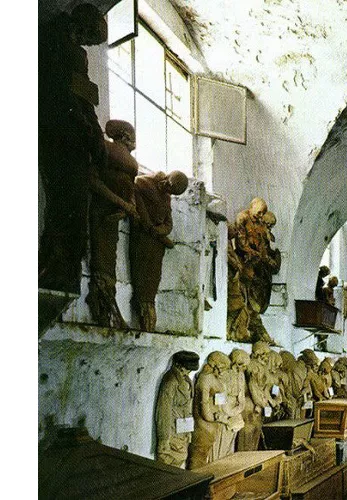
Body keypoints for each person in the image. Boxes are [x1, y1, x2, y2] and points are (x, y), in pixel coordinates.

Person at [39, 4, 108, 293]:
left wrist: (98, 143)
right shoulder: (53, 34)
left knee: (76, 206)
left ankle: (66, 273)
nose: (87, 46)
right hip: (59, 128)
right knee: (64, 204)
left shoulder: (78, 54)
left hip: (76, 133)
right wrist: (78, 118)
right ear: (84, 24)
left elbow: (85, 99)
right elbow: (51, 84)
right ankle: (53, 269)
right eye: (90, 39)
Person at [86, 120, 139, 328]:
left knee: (110, 259)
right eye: (132, 135)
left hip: (115, 213)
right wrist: (122, 203)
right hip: (103, 210)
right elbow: (93, 180)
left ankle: (110, 309)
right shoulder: (106, 149)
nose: (134, 140)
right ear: (124, 135)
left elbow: (130, 188)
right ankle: (104, 309)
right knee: (102, 260)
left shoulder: (130, 164)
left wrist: (128, 206)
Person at [129, 171, 188, 331]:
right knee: (141, 276)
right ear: (167, 177)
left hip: (156, 244)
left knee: (153, 279)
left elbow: (169, 223)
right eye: (169, 186)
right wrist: (148, 225)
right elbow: (138, 202)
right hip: (143, 240)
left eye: (172, 192)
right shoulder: (143, 182)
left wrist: (160, 231)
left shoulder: (166, 197)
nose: (168, 191)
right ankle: (143, 314)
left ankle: (148, 318)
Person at [155, 351, 199, 468]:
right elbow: (163, 411)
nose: (188, 372)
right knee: (168, 466)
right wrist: (163, 438)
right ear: (179, 365)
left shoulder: (186, 380)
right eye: (186, 369)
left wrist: (189, 432)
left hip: (182, 431)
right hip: (172, 431)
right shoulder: (170, 381)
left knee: (179, 465)